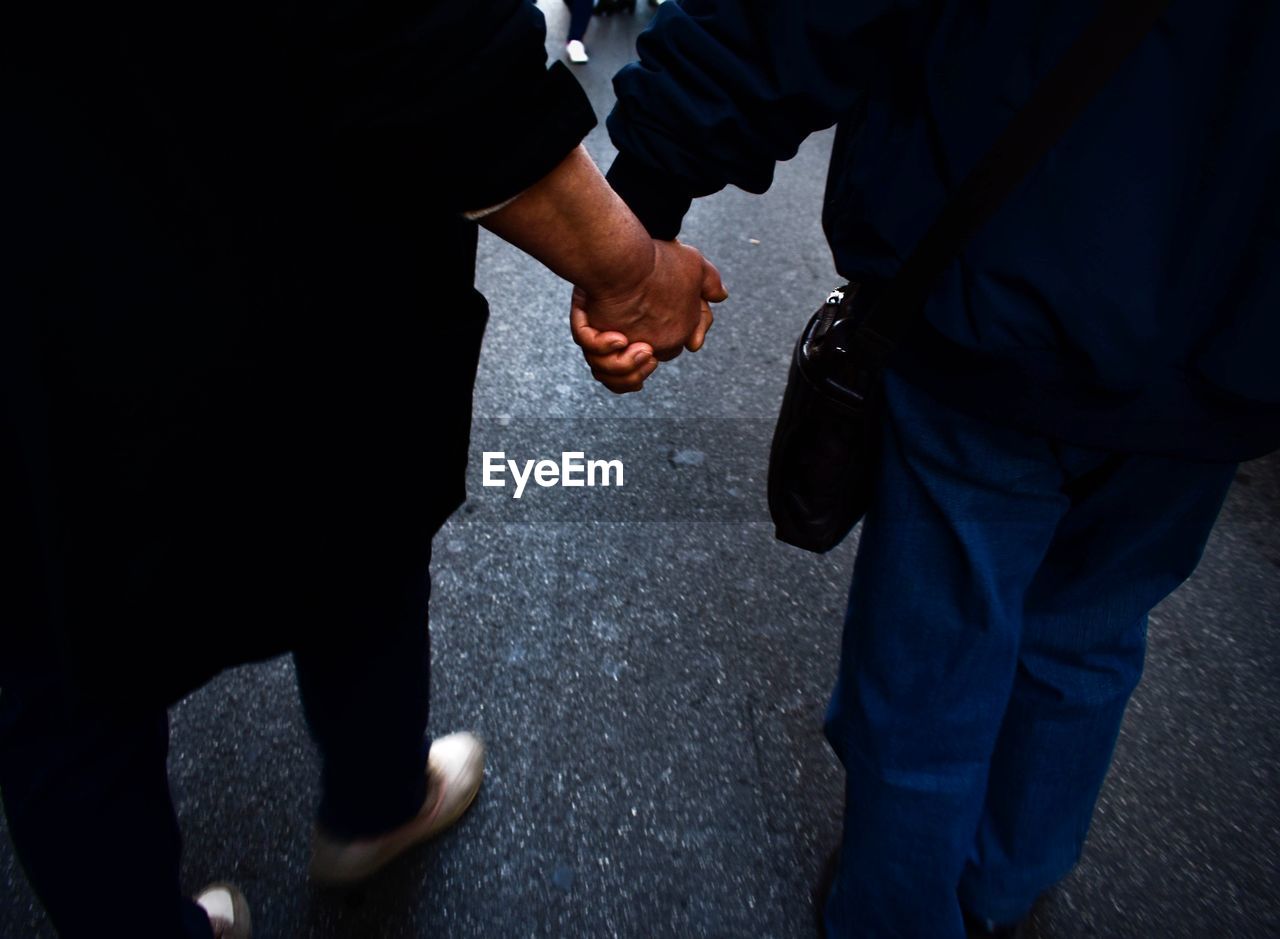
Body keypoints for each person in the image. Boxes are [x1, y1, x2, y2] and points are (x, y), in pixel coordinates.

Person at [1, 1, 723, 936]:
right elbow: (418, 38)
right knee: (362, 521)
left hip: (34, 254)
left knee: (64, 636)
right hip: (294, 238)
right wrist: (629, 267)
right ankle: (375, 805)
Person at [573, 1, 1280, 936]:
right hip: (1226, 345)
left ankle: (894, 912)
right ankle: (1003, 884)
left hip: (999, 306)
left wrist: (643, 199)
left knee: (934, 662)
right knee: (1090, 633)